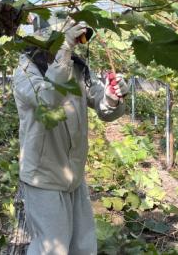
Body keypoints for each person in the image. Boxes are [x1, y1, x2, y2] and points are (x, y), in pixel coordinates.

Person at [12, 20, 129, 255]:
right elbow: (47, 98)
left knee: (83, 245)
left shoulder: (77, 68)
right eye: (66, 38)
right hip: (43, 177)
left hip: (73, 175)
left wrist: (112, 97)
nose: (73, 44)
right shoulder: (26, 70)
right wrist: (64, 49)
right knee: (51, 248)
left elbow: (103, 106)